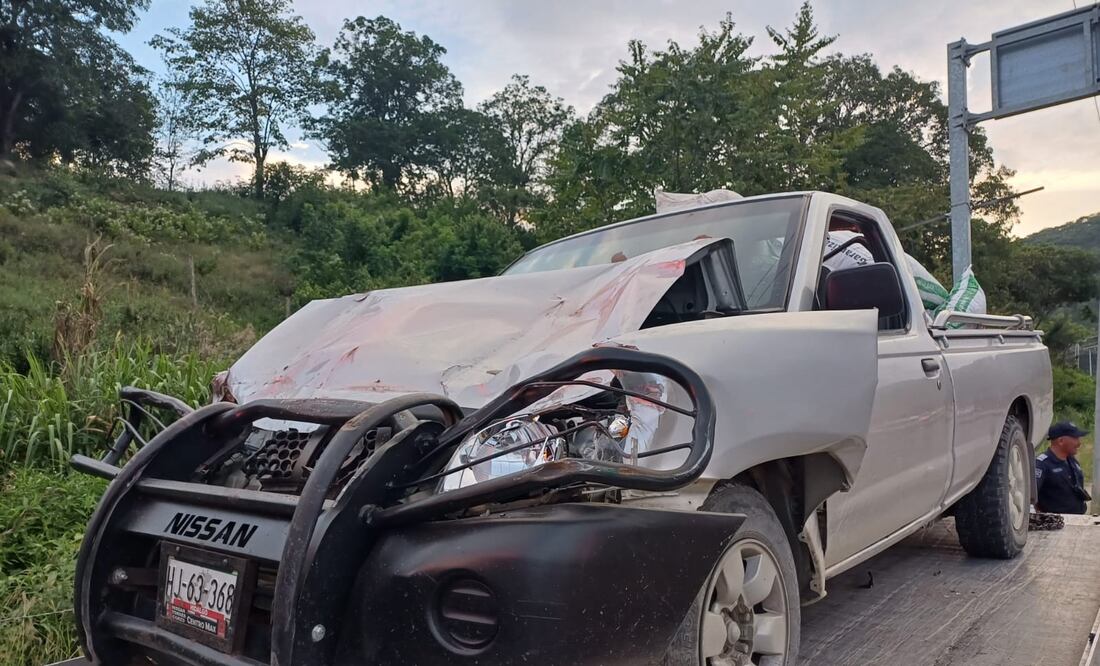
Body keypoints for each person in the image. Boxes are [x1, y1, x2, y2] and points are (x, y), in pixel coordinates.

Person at [1035, 421, 1091, 514]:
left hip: (1078, 520)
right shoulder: (1042, 464)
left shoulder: (1072, 461)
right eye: (1075, 438)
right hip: (1056, 523)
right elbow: (1031, 497)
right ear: (1061, 441)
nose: (1079, 443)